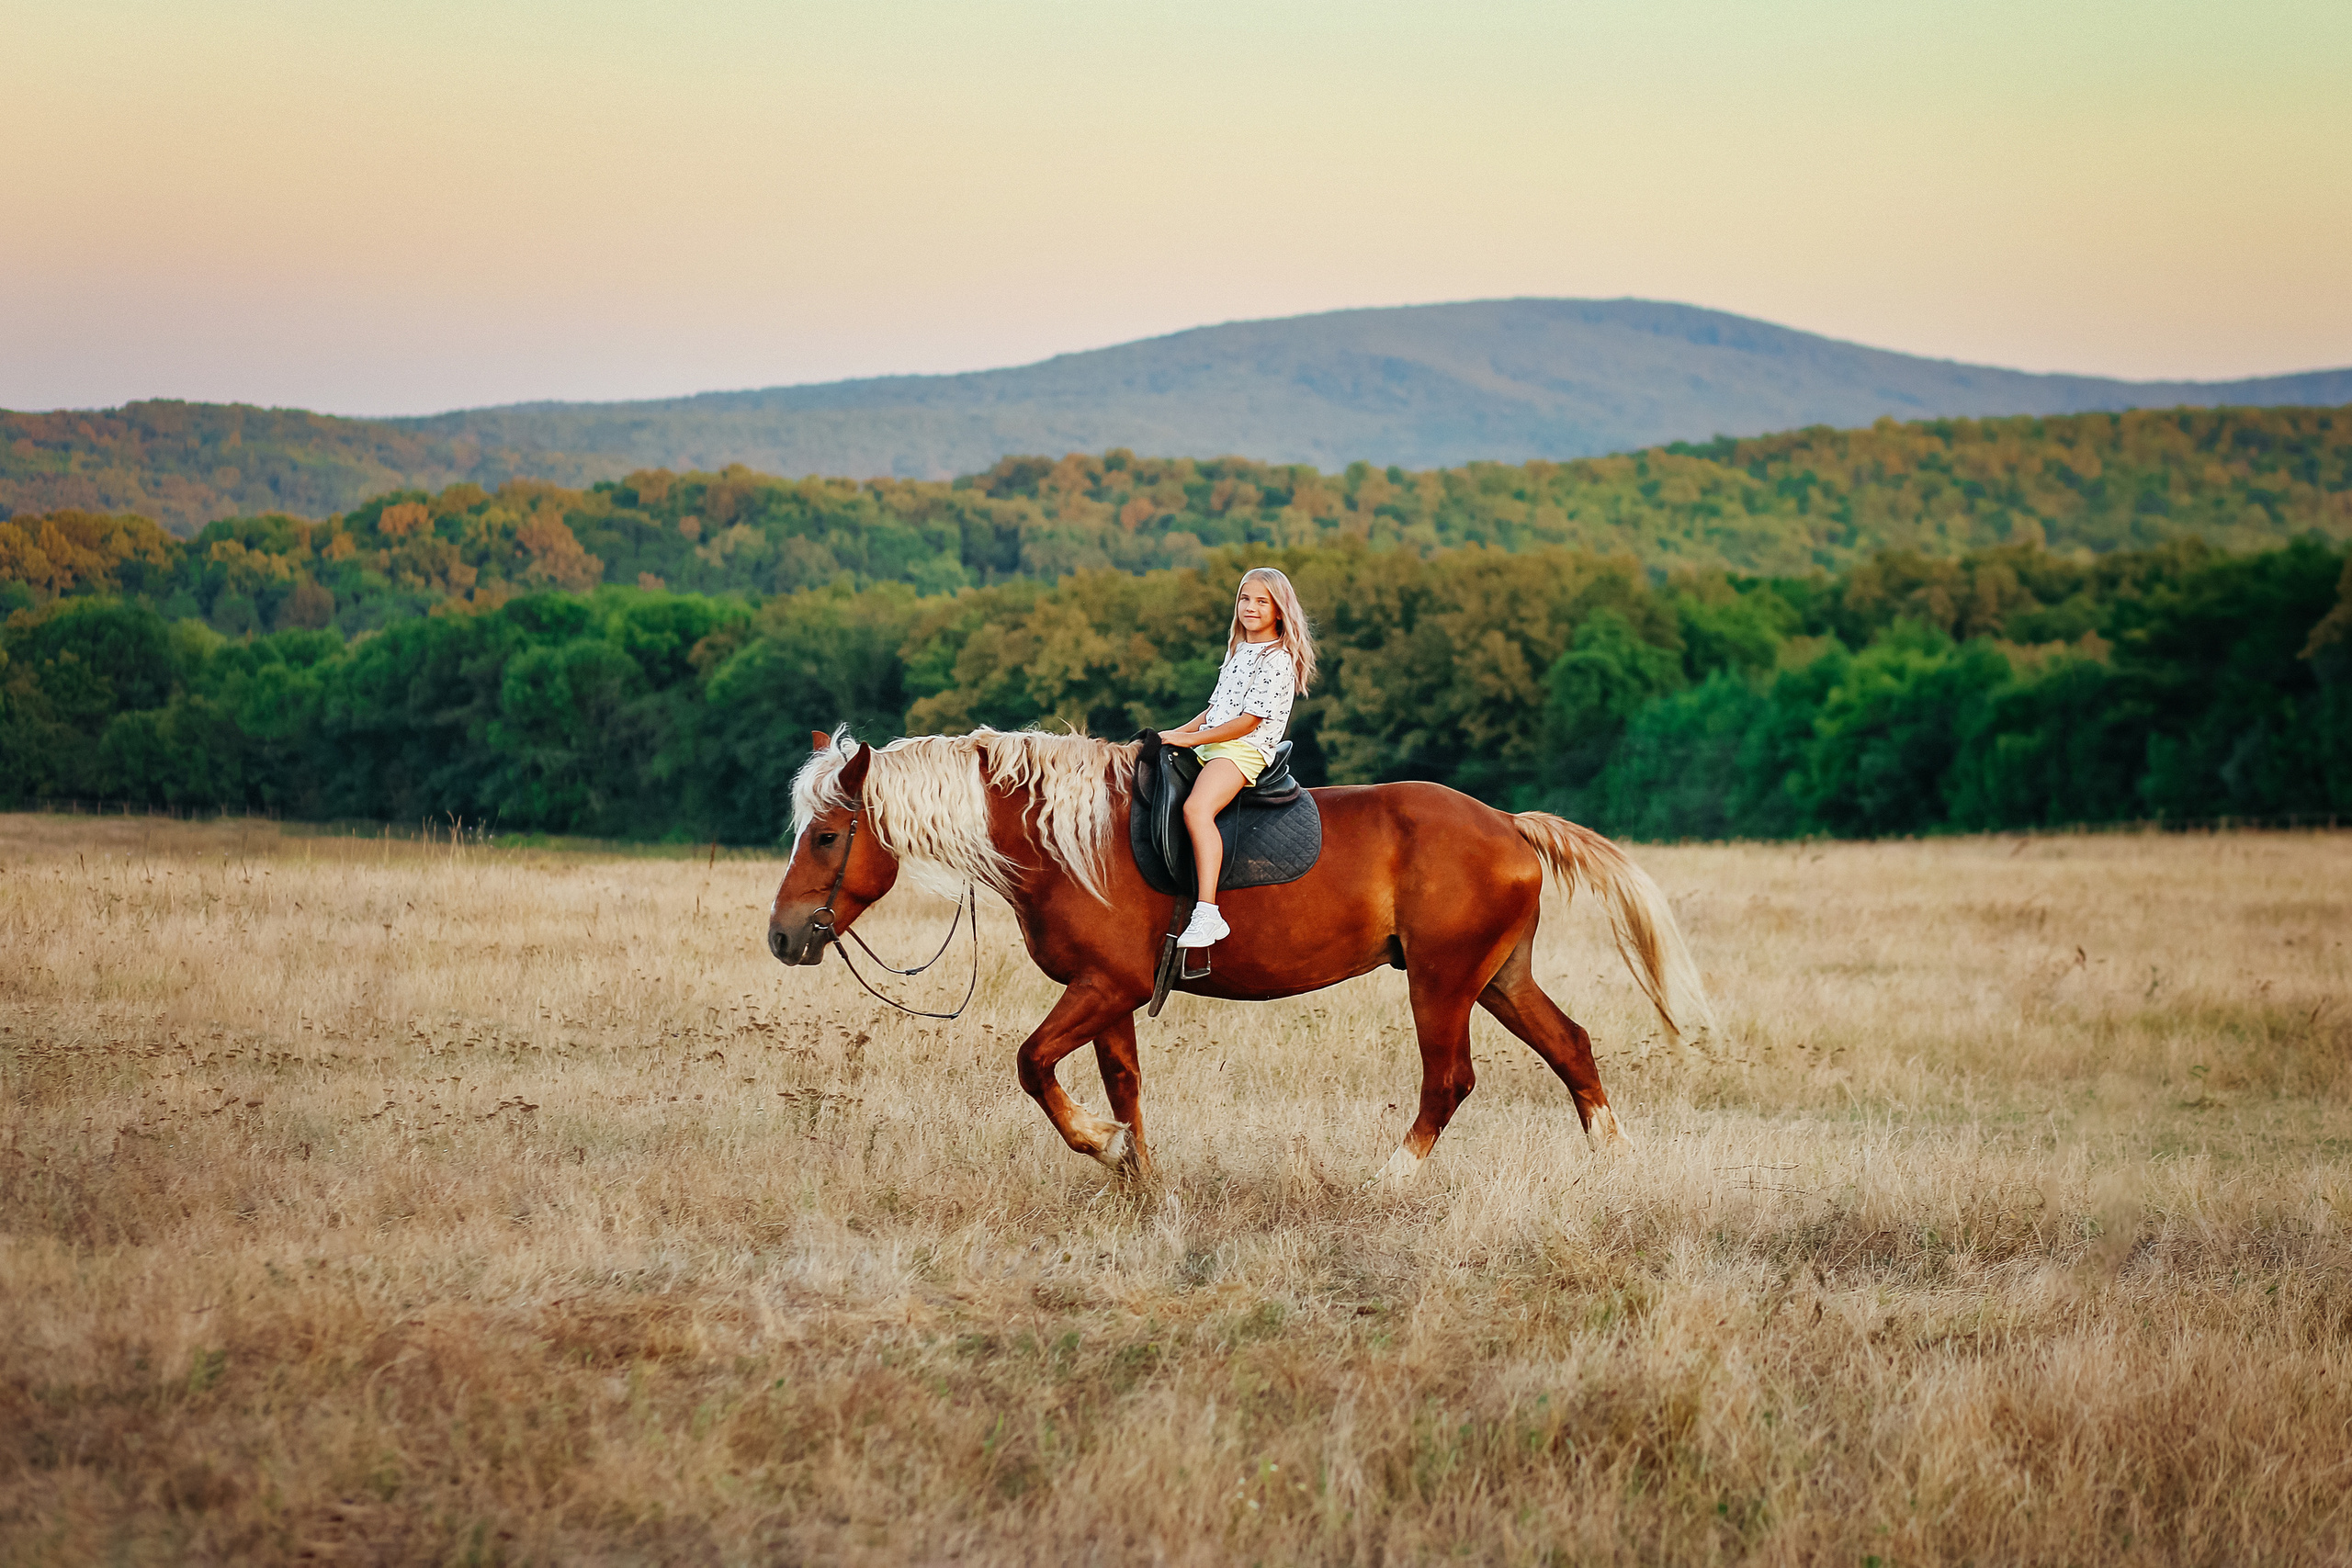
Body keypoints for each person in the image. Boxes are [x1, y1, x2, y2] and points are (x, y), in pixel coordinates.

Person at [1157, 567, 1317, 948]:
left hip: (1243, 751)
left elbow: (1247, 722)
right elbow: (1215, 710)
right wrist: (1177, 735)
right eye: (1245, 598)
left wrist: (1190, 741)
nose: (1251, 607)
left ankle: (1208, 913)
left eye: (1262, 601)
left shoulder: (1277, 660)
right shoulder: (1240, 650)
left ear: (1279, 610)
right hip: (1216, 742)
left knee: (1197, 810)